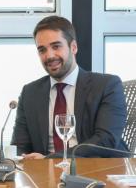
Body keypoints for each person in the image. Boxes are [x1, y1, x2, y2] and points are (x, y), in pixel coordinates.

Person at [11, 15, 129, 158]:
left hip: (99, 171)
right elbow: (19, 147)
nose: (49, 56)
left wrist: (51, 160)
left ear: (73, 47)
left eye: (56, 46)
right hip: (45, 177)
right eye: (42, 50)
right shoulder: (29, 93)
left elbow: (106, 141)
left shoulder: (107, 86)